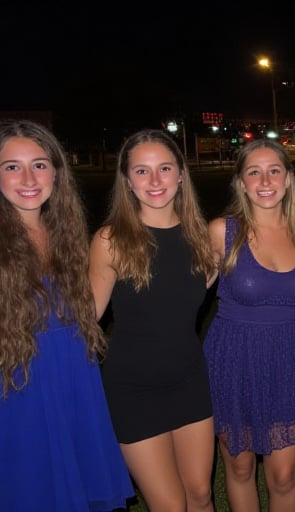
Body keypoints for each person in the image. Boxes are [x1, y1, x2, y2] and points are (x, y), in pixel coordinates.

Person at [0, 119, 134, 510]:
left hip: (74, 378)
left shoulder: (64, 233)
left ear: (56, 172)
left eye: (39, 164)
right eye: (11, 166)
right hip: (20, 388)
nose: (28, 177)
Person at [89, 129, 218, 511]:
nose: (155, 180)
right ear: (127, 181)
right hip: (133, 389)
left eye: (164, 168)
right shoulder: (111, 239)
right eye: (142, 171)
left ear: (181, 174)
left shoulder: (201, 236)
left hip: (190, 379)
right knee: (170, 505)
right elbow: (85, 316)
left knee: (200, 494)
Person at [203, 139, 295, 511]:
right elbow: (187, 290)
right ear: (241, 182)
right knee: (239, 468)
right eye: (254, 172)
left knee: (284, 475)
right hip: (232, 359)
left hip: (285, 361)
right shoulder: (224, 231)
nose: (265, 180)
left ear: (288, 179)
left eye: (274, 171)